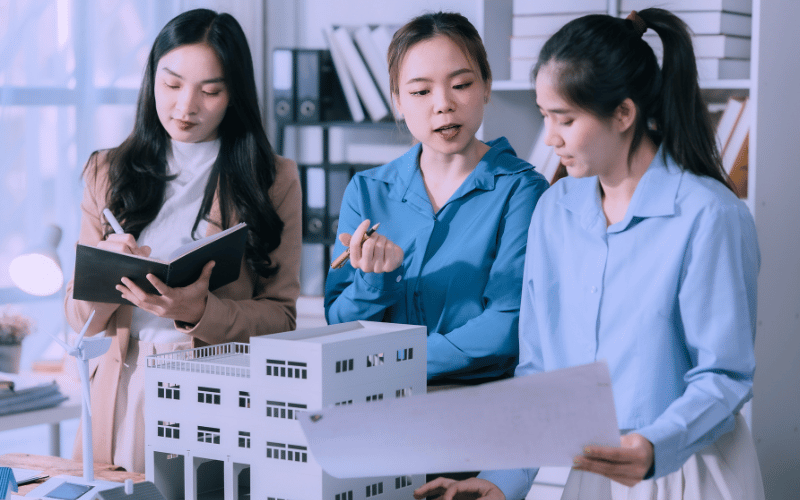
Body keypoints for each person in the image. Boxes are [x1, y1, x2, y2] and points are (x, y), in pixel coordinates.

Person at [415, 8, 764, 500]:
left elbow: (724, 376)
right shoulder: (555, 210)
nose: (551, 137)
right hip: (594, 478)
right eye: (544, 117)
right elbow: (538, 373)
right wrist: (501, 480)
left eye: (566, 119)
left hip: (689, 474)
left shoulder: (709, 216)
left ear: (624, 114)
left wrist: (654, 446)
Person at [64, 9, 301, 473]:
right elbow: (79, 322)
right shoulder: (107, 172)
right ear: (152, 79)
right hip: (122, 389)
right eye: (171, 85)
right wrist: (107, 274)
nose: (185, 107)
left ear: (234, 95)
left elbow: (283, 317)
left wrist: (198, 312)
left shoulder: (272, 178)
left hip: (219, 391)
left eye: (210, 91)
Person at [324, 12, 548, 385]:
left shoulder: (522, 190)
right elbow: (339, 324)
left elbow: (509, 321)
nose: (443, 104)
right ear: (397, 101)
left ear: (487, 86)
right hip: (376, 403)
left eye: (460, 84)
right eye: (420, 91)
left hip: (478, 404)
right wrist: (377, 281)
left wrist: (396, 364)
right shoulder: (366, 190)